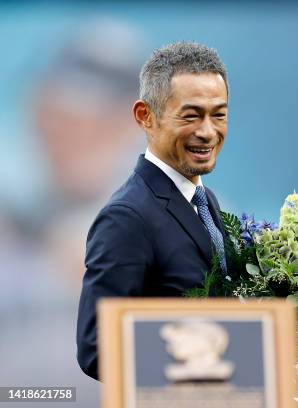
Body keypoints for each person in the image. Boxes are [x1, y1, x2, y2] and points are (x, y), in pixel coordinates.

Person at [76, 41, 230, 381]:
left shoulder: (207, 203)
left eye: (218, 114)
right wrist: (207, 353)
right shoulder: (126, 218)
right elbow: (96, 349)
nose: (207, 131)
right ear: (145, 116)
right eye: (191, 115)